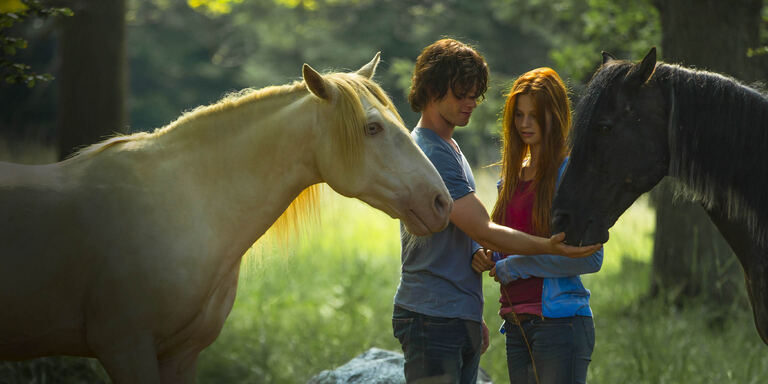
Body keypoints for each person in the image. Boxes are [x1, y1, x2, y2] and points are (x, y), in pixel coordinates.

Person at [392, 40, 602, 384]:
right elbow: (486, 230)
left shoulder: (454, 149)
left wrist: (488, 268)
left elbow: (585, 256)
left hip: (540, 320)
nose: (471, 103)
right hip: (451, 317)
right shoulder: (442, 155)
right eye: (462, 94)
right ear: (432, 90)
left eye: (475, 95)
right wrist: (507, 252)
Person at [472, 67, 604, 384]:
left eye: (535, 115)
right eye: (519, 115)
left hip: (560, 325)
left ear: (555, 115)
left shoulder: (570, 175)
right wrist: (485, 254)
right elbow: (504, 242)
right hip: (516, 322)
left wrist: (519, 266)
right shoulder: (511, 178)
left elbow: (591, 256)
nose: (525, 124)